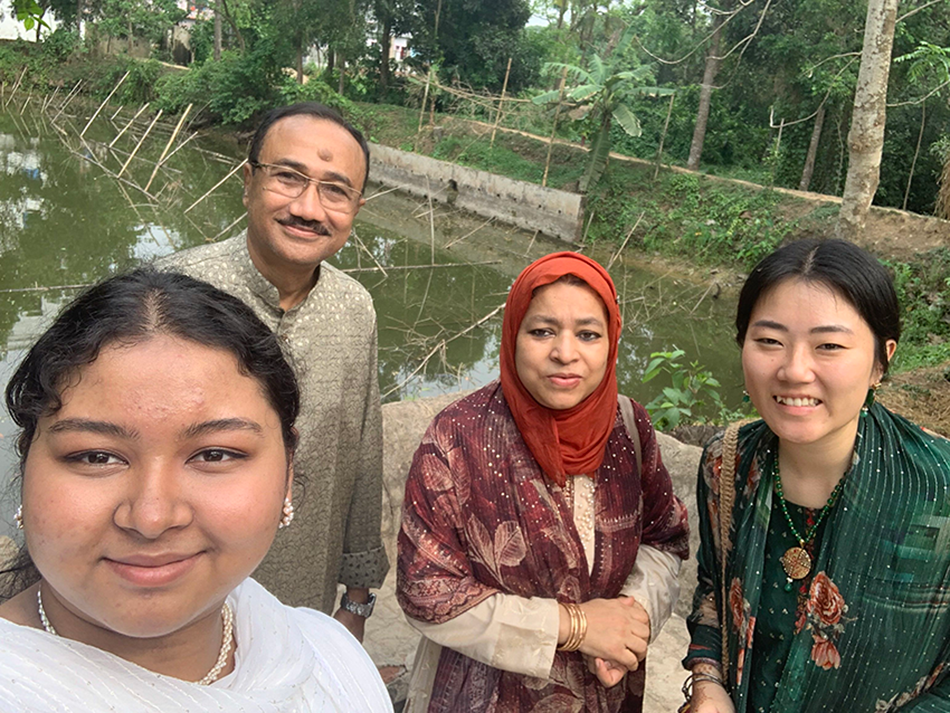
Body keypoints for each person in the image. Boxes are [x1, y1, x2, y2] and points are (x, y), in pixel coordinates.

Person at [0, 268, 393, 712]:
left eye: (214, 455)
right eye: (96, 457)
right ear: (26, 461)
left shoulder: (330, 660)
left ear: (288, 471)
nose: (151, 518)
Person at [397, 252, 690, 712]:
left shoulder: (629, 427)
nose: (565, 353)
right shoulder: (456, 438)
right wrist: (576, 627)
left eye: (588, 334)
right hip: (484, 692)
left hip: (606, 688)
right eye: (542, 331)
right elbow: (426, 588)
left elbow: (665, 538)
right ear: (512, 334)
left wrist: (631, 619)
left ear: (611, 342)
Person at [683, 239, 950, 713]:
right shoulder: (726, 464)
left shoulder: (938, 488)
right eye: (769, 341)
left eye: (829, 345)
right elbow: (714, 593)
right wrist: (708, 686)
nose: (794, 370)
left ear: (880, 361)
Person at [158, 102, 386, 639]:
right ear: (248, 182)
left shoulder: (355, 310)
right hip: (177, 584)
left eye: (336, 190)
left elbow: (362, 455)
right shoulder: (171, 292)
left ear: (356, 206)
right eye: (288, 177)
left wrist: (357, 598)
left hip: (300, 592)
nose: (309, 208)